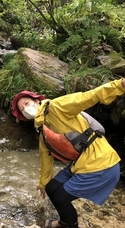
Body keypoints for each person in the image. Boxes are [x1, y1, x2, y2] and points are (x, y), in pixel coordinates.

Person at [11, 78, 125, 228]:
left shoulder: (57, 106)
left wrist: (119, 85)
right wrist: (42, 183)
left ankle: (71, 225)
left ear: (37, 101)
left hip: (102, 164)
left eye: (26, 103)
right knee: (51, 188)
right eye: (22, 109)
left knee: (60, 197)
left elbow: (88, 96)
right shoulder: (42, 130)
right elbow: (46, 159)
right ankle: (64, 222)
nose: (25, 109)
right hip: (82, 163)